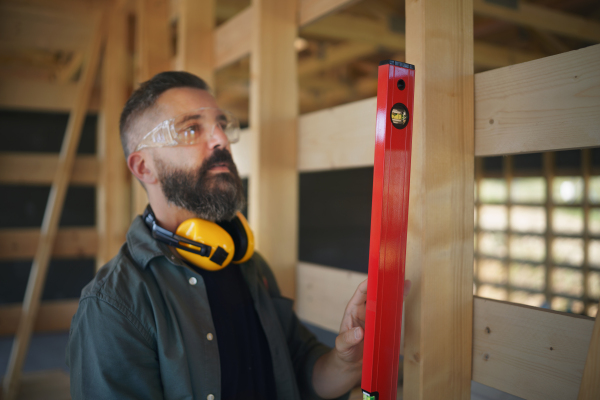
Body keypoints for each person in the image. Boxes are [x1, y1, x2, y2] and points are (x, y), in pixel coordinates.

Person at [66, 71, 404, 400]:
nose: (221, 140)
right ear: (143, 167)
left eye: (220, 126)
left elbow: (301, 372)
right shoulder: (113, 306)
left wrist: (347, 360)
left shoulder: (248, 263)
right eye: (192, 128)